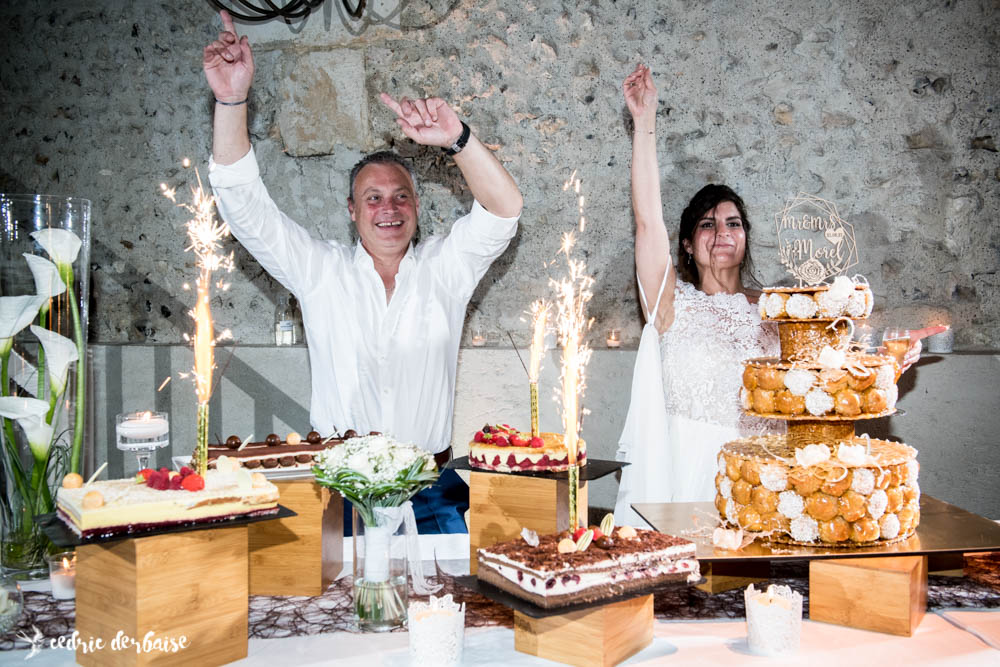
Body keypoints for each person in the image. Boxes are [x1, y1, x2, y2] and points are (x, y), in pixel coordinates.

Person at [202, 11, 523, 534]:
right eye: (372, 198)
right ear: (352, 211)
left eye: (400, 196)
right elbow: (246, 210)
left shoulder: (447, 268)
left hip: (434, 494)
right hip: (339, 491)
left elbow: (505, 209)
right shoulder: (319, 270)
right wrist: (231, 100)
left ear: (417, 206)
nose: (388, 208)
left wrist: (458, 138)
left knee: (447, 612)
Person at [613, 64, 942, 524]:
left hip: (767, 481)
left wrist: (888, 358)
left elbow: (828, 370)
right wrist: (644, 122)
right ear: (687, 243)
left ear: (746, 237)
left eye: (732, 223)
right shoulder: (670, 302)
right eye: (706, 225)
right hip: (688, 477)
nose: (721, 233)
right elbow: (647, 219)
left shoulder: (780, 310)